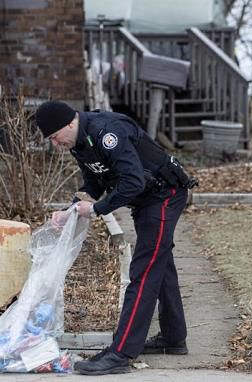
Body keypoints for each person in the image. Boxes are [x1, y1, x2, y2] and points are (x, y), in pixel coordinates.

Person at [35, 101, 198, 376]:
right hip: (146, 199)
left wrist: (97, 210)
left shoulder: (106, 133)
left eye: (53, 136)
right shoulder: (80, 143)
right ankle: (173, 338)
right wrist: (70, 211)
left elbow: (132, 181)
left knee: (143, 272)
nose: (55, 143)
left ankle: (121, 353)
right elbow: (94, 183)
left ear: (69, 124)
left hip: (164, 196)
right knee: (160, 263)